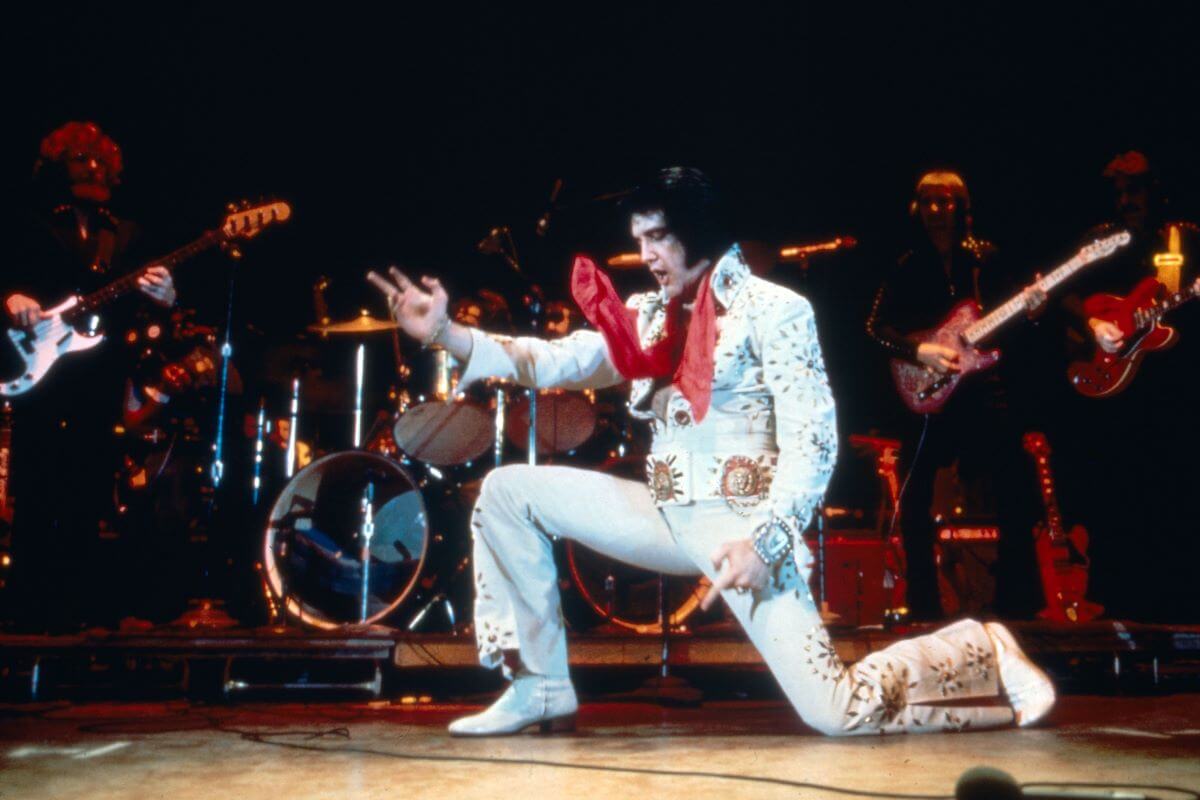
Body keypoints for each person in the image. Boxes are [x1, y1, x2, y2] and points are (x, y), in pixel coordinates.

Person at [370, 167, 1054, 737]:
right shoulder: (645, 313)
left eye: (660, 236)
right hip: (668, 514)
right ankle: (540, 684)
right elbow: (555, 359)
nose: (647, 254)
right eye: (640, 239)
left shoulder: (775, 309)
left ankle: (980, 648)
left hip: (743, 528)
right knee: (508, 492)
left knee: (837, 713)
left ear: (700, 230)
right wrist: (450, 335)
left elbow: (814, 441)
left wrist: (769, 540)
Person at [3, 121, 177, 630]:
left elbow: (146, 315)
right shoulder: (28, 224)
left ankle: (81, 615)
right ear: (58, 167)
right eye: (80, 159)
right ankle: (26, 616)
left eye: (100, 161)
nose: (92, 168)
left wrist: (166, 298)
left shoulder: (124, 233)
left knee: (90, 490)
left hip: (98, 376)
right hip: (40, 373)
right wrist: (10, 298)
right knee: (37, 490)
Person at [866, 171, 1046, 621]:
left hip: (981, 389)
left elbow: (1010, 325)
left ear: (962, 208)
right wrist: (917, 349)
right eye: (928, 203)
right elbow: (874, 327)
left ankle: (1016, 602)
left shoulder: (987, 259)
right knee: (915, 497)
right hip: (927, 393)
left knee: (1014, 483)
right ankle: (924, 603)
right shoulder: (906, 265)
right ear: (917, 210)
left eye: (945, 203)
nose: (936, 213)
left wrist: (1034, 311)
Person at [1056, 151, 1200, 622]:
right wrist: (1093, 322)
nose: (1126, 200)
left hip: (1172, 389)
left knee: (1173, 492)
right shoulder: (1102, 241)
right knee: (1117, 495)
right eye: (1118, 192)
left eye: (1134, 189)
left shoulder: (1184, 238)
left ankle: (1176, 606)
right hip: (1117, 393)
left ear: (1155, 190)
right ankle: (1119, 606)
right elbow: (1064, 291)